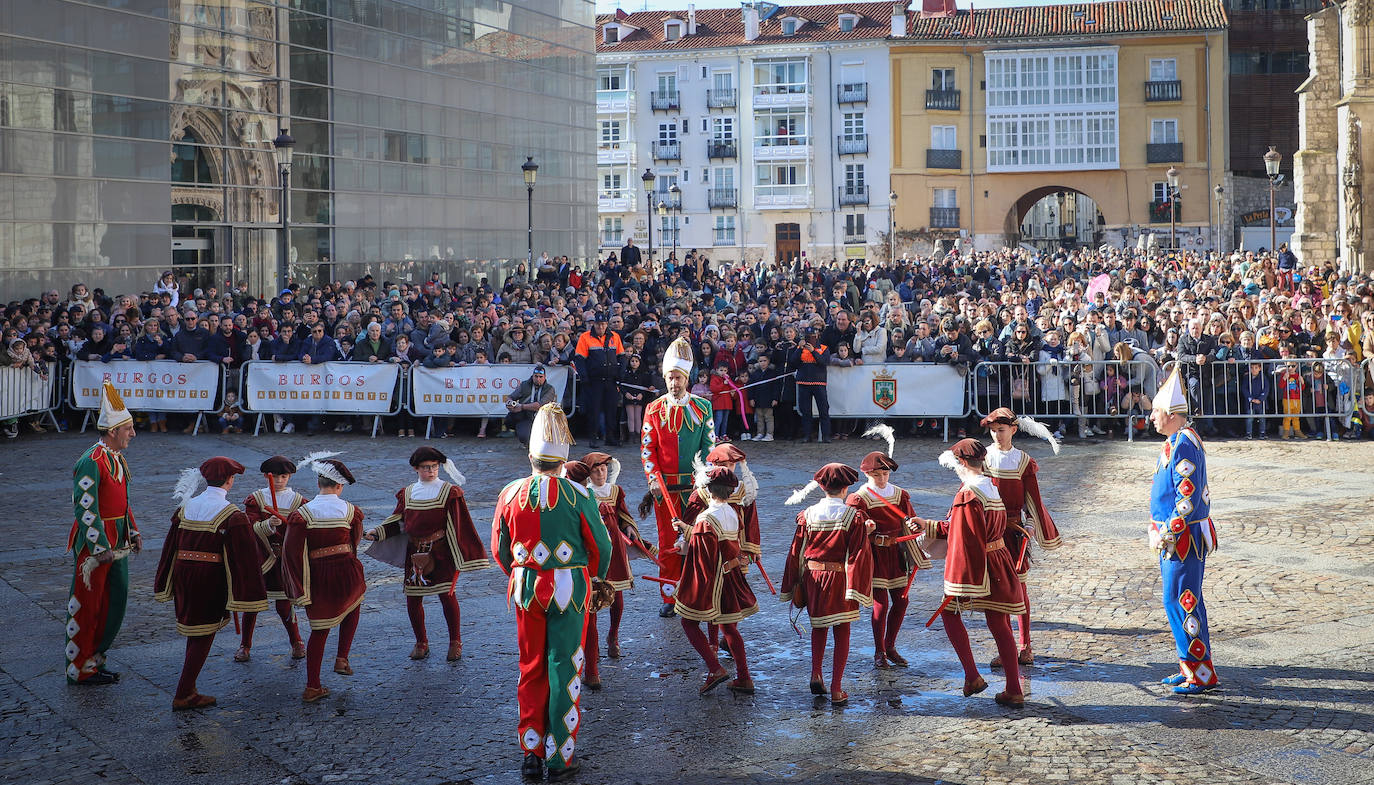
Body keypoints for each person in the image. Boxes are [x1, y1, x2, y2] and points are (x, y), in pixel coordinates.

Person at [490, 403, 613, 782]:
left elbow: (498, 547)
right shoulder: (579, 495)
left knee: (530, 667)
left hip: (527, 588)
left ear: (530, 455)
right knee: (565, 667)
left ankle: (530, 750)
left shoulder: (510, 494)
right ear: (563, 461)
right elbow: (602, 547)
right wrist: (596, 580)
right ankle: (560, 756)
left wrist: (520, 574)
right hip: (571, 590)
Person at [911, 438, 1026, 707]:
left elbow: (963, 535)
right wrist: (931, 526)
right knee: (1000, 625)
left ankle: (972, 675)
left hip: (979, 566)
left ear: (962, 463)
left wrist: (927, 526)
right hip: (998, 559)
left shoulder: (968, 493)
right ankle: (1013, 688)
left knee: (949, 613)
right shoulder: (990, 486)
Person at [154, 457, 267, 710]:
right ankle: (184, 692)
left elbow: (170, 546)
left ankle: (189, 687)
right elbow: (245, 557)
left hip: (183, 574)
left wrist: (165, 579)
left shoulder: (186, 507)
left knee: (195, 631)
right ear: (230, 480)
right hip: (209, 577)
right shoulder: (232, 514)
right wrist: (247, 593)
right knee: (204, 633)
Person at [364, 447, 490, 661]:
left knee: (447, 596)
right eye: (425, 467)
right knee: (413, 599)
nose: (430, 471)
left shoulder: (450, 492)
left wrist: (463, 555)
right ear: (416, 468)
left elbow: (461, 525)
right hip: (414, 552)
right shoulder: (408, 493)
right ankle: (421, 642)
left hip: (442, 552)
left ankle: (455, 642)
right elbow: (398, 521)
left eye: (434, 467)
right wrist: (378, 532)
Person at [1148, 367, 1220, 695]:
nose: (1150, 416)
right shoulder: (1174, 441)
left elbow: (1186, 498)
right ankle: (1188, 665)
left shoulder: (1183, 444)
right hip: (1177, 536)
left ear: (1173, 415)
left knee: (1183, 600)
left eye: (1155, 412)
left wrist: (1169, 532)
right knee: (1178, 600)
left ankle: (1200, 673)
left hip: (1183, 538)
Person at [65, 382, 141, 685]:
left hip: (117, 538)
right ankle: (79, 666)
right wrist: (98, 547)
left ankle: (96, 658)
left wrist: (132, 530)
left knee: (114, 599)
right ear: (113, 431)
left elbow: (121, 500)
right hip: (96, 543)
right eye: (129, 429)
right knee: (89, 602)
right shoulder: (91, 461)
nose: (133, 434)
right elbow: (85, 508)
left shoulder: (116, 458)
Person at [780, 463, 874, 706]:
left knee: (818, 627)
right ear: (846, 489)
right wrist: (858, 588)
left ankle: (816, 673)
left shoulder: (807, 514)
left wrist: (794, 583)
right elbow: (857, 555)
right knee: (842, 631)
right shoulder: (853, 516)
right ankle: (836, 688)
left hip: (813, 578)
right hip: (841, 578)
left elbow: (796, 552)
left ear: (822, 487)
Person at [979, 408, 1063, 668]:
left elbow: (1033, 498)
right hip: (990, 531)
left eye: (1001, 430)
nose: (996, 436)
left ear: (1013, 430)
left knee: (1019, 588)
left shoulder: (1023, 461)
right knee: (997, 589)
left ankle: (1025, 646)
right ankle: (1007, 648)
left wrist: (1030, 524)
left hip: (1014, 532)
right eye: (992, 431)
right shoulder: (983, 458)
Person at [281, 456, 367, 703]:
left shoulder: (302, 515)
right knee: (353, 605)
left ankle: (313, 685)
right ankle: (342, 657)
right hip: (347, 571)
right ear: (339, 486)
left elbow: (292, 553)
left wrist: (298, 588)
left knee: (320, 629)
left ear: (318, 483)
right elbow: (355, 540)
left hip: (319, 576)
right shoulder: (351, 511)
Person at [640, 336, 716, 616]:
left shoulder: (703, 407)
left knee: (697, 540)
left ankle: (696, 592)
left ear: (687, 378)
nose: (674, 383)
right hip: (665, 488)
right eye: (670, 378)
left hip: (695, 488)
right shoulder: (654, 409)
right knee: (669, 542)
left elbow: (709, 446)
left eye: (679, 378)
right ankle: (670, 595)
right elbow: (648, 449)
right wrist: (653, 480)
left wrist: (703, 479)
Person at [673, 465, 758, 695]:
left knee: (688, 623)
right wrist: (686, 529)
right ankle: (744, 677)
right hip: (731, 576)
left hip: (714, 580)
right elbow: (720, 542)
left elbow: (701, 556)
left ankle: (715, 668)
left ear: (708, 490)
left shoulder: (705, 517)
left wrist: (686, 586)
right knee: (729, 627)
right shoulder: (732, 512)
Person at [848, 449, 930, 669]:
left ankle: (890, 645)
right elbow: (851, 528)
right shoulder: (860, 497)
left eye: (885, 474)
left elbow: (910, 518)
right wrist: (865, 528)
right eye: (877, 475)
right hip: (873, 555)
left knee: (902, 601)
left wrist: (913, 524)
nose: (882, 479)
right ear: (868, 474)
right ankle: (879, 651)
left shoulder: (900, 494)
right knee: (881, 604)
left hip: (896, 554)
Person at [578, 451, 649, 689]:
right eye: (596, 470)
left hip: (615, 549)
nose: (601, 474)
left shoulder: (615, 491)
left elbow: (623, 515)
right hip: (594, 549)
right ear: (588, 473)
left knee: (617, 596)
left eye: (604, 470)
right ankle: (593, 644)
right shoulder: (583, 493)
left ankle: (613, 636)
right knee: (596, 598)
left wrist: (628, 527)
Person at [237, 455, 307, 662]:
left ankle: (296, 641)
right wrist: (268, 525)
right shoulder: (257, 499)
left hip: (284, 559)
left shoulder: (298, 501)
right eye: (274, 476)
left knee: (285, 603)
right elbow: (249, 526)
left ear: (290, 476)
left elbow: (302, 528)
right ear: (265, 476)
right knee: (253, 603)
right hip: (260, 558)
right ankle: (245, 645)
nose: (278, 481)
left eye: (283, 476)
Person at [574, 315, 624, 447]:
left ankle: (610, 437)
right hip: (594, 381)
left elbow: (621, 357)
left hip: (610, 380)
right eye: (597, 324)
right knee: (594, 411)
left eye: (603, 324)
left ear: (607, 324)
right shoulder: (585, 337)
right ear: (593, 324)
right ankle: (593, 438)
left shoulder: (615, 336)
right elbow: (580, 360)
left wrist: (620, 375)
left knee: (611, 410)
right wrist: (584, 378)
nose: (600, 327)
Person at [794, 327, 832, 443]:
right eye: (808, 336)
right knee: (806, 412)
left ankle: (826, 436)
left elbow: (824, 362)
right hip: (803, 383)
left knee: (823, 410)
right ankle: (807, 435)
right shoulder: (800, 348)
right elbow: (793, 362)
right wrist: (799, 349)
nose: (810, 338)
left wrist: (813, 351)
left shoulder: (824, 348)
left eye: (812, 336)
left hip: (819, 383)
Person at [503, 364, 558, 442]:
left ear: (545, 377)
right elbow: (510, 397)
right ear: (532, 376)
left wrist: (521, 407)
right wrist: (509, 403)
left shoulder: (550, 389)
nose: (538, 379)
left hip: (542, 418)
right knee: (523, 436)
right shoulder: (524, 385)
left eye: (540, 377)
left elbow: (539, 405)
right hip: (525, 417)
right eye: (536, 376)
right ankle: (522, 432)